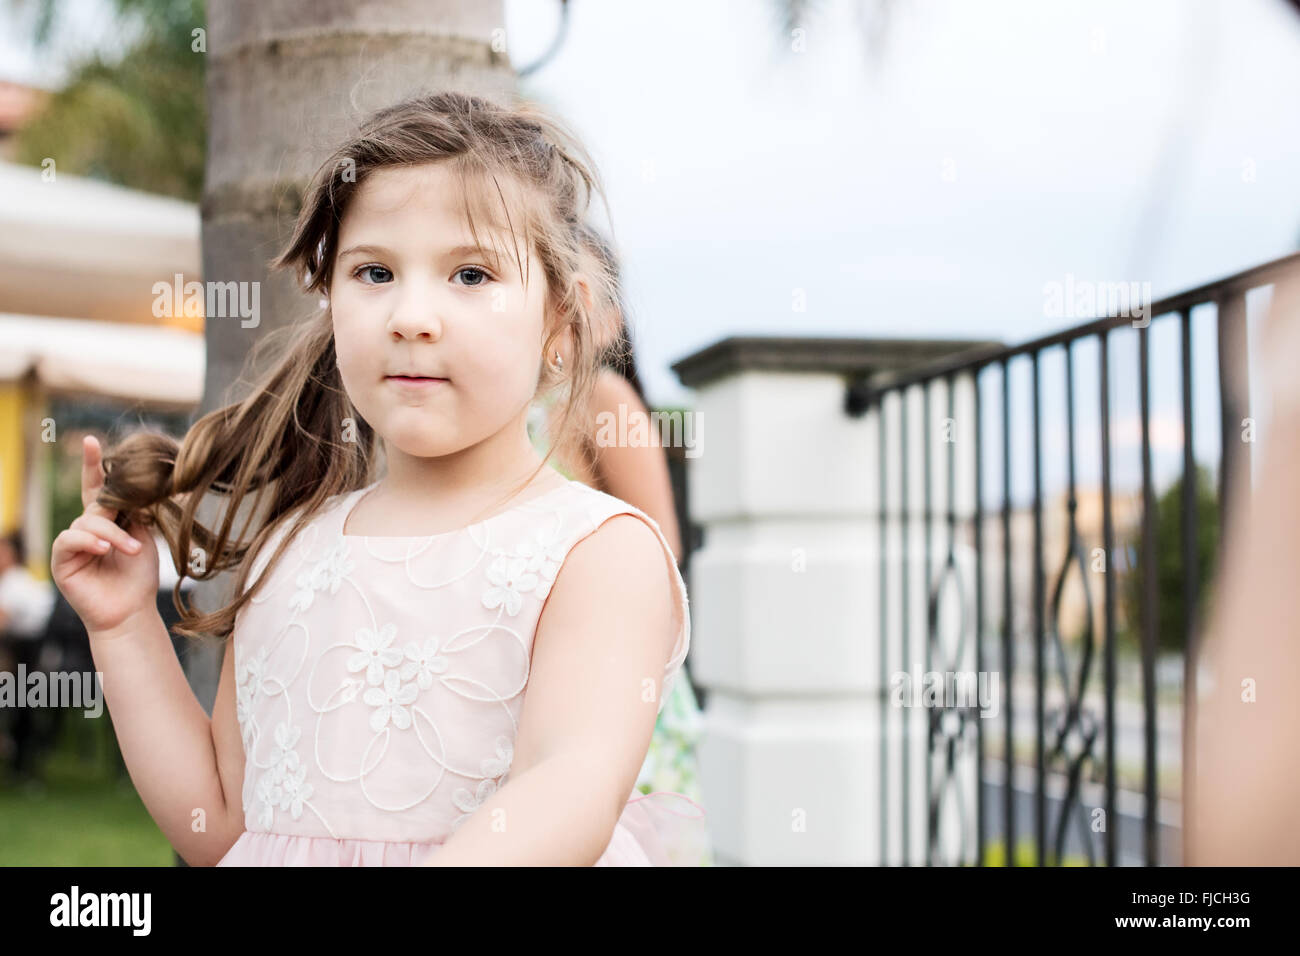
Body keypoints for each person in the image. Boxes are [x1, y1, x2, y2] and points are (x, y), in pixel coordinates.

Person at [49, 90, 707, 866]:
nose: (411, 315)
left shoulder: (597, 553)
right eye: (374, 272)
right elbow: (222, 823)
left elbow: (568, 790)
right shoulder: (287, 550)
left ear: (561, 323)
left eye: (469, 274)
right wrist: (124, 631)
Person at [529, 224, 711, 865]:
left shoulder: (603, 399)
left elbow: (661, 548)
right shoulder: (504, 408)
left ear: (609, 322)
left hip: (616, 678)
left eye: (581, 295)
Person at [0, 529, 57, 785]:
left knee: (20, 706)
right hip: (24, 656)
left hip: (29, 657)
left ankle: (20, 763)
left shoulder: (15, 582)